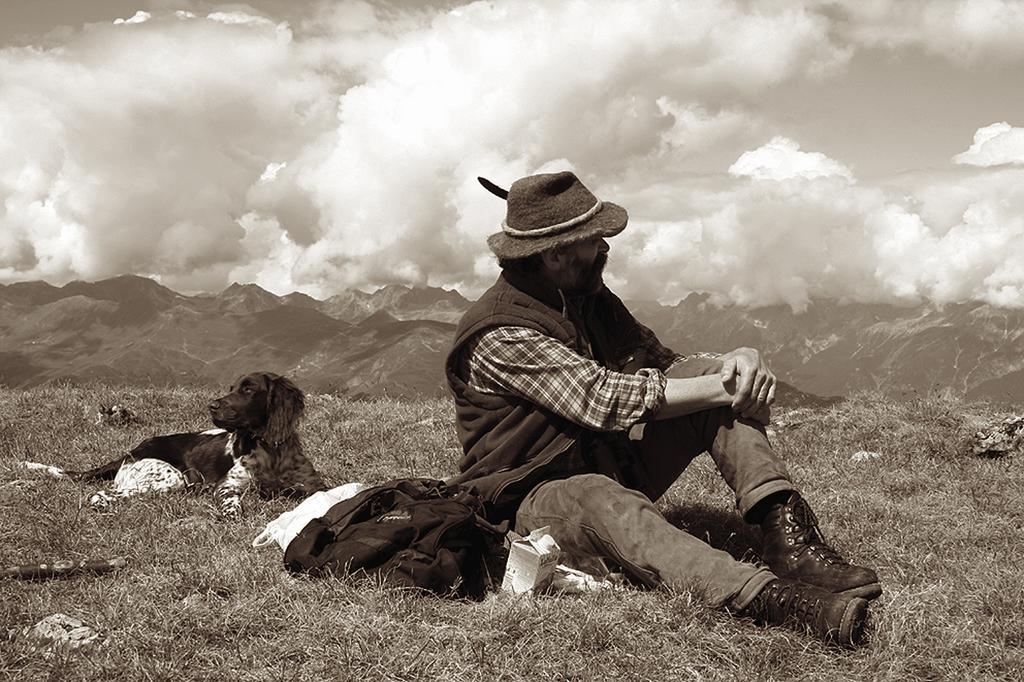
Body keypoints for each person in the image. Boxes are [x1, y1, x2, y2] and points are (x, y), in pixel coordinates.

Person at [445, 171, 881, 646]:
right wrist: (722, 387)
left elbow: (663, 362)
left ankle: (792, 541)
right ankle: (768, 597)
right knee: (599, 497)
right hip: (527, 495)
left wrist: (734, 364)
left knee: (709, 380)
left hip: (605, 457)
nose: (604, 251)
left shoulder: (586, 297)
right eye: (594, 242)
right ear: (554, 254)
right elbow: (602, 399)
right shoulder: (500, 331)